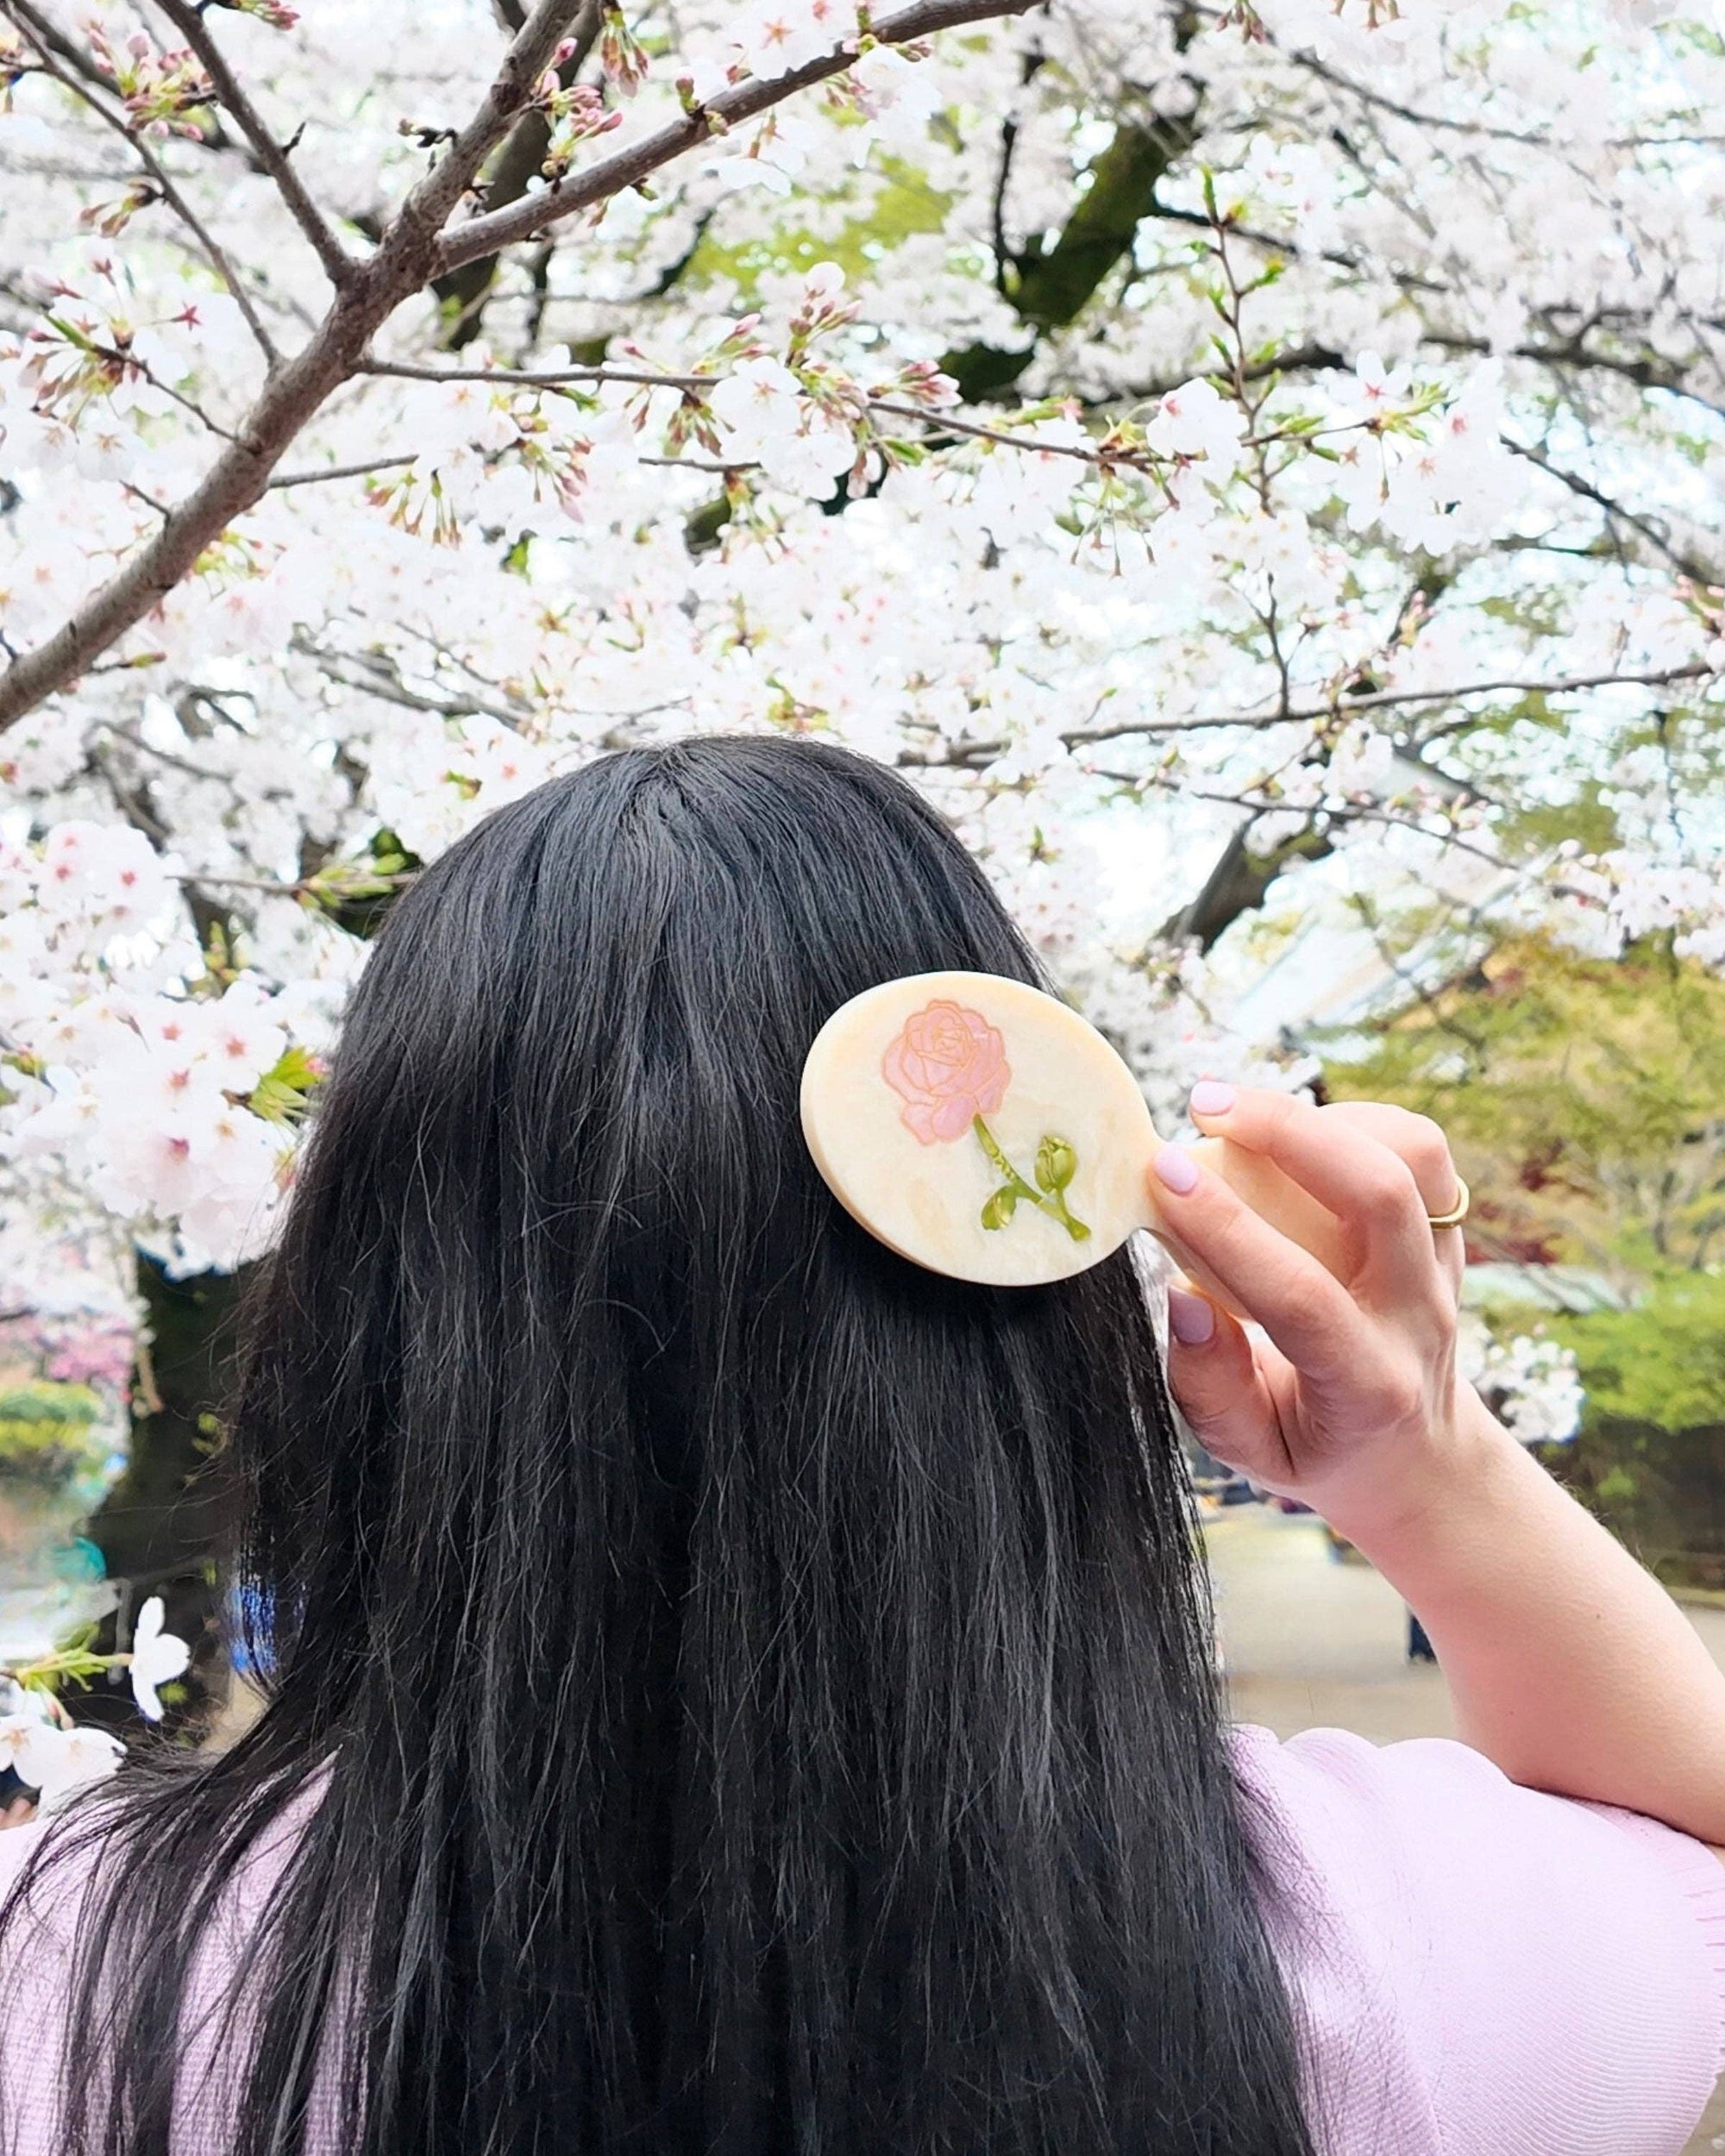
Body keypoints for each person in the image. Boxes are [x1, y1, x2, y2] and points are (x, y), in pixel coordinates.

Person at [0, 734, 1722, 2156]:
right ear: (1032, 1328)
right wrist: (1422, 1465)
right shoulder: (1393, 1946)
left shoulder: (71, 1967)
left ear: (365, 1320)